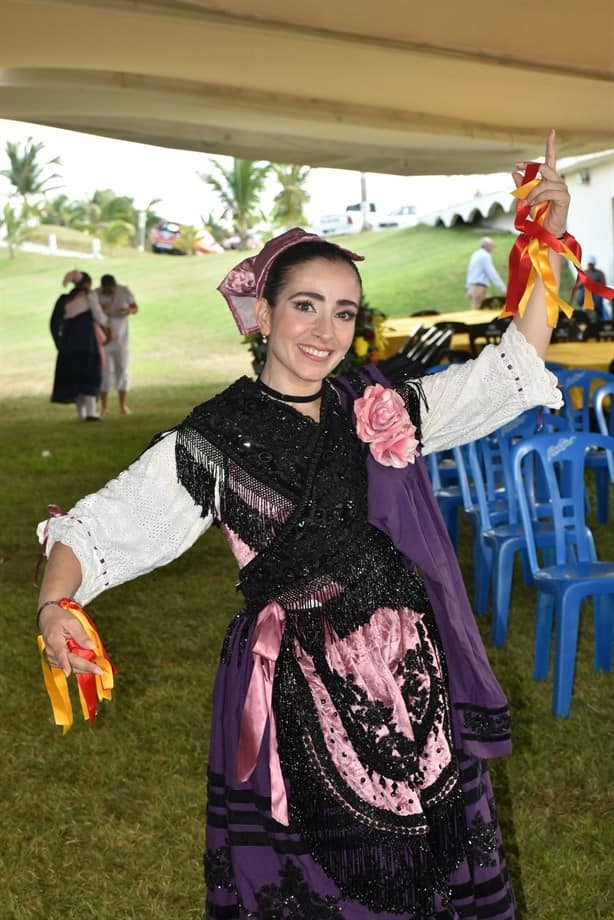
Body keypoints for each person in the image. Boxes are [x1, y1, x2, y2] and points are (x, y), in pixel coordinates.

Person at [36, 132, 569, 918]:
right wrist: (55, 605)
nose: (324, 331)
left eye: (343, 311)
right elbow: (102, 527)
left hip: (406, 672)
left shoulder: (376, 404)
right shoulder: (213, 438)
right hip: (292, 684)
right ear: (262, 312)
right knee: (318, 884)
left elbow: (509, 367)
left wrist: (545, 241)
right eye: (305, 306)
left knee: (431, 872)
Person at [50, 270, 109, 421]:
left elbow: (54, 321)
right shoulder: (89, 295)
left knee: (75, 375)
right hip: (87, 339)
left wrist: (59, 341)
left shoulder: (65, 299)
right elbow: (98, 315)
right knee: (89, 374)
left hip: (69, 340)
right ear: (87, 283)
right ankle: (91, 412)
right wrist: (108, 327)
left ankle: (80, 413)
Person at [95, 273, 138, 414]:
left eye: (111, 289)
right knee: (103, 371)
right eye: (106, 290)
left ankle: (122, 406)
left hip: (121, 339)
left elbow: (135, 308)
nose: (109, 292)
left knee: (122, 369)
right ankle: (104, 407)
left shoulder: (124, 291)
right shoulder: (95, 294)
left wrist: (128, 310)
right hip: (104, 339)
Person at [466, 236, 507, 309]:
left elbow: (470, 271)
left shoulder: (475, 254)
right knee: (478, 310)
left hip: (474, 287)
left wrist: (468, 289)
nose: (493, 249)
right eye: (492, 246)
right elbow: (492, 273)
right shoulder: (485, 256)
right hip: (479, 287)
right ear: (487, 246)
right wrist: (502, 288)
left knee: (487, 306)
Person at [570, 255, 610, 320]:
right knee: (581, 298)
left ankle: (598, 313)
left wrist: (595, 285)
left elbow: (604, 284)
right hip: (586, 293)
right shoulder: (584, 273)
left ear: (594, 264)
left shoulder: (599, 273)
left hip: (596, 292)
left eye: (591, 264)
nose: (590, 265)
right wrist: (577, 286)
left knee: (597, 303)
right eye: (589, 264)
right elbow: (579, 284)